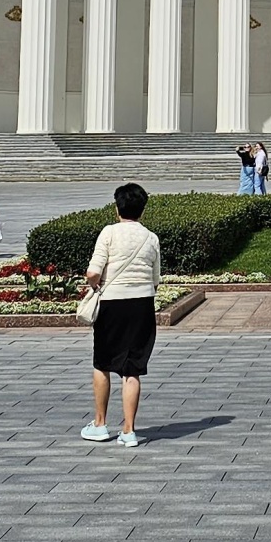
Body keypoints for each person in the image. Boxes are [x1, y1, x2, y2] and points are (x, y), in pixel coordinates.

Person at [79, 181, 161, 450]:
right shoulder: (151, 237)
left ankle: (100, 424)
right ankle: (129, 430)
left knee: (103, 362)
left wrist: (91, 284)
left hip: (112, 305)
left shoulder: (109, 233)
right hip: (142, 305)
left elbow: (93, 272)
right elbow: (156, 278)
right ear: (143, 210)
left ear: (117, 208)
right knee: (132, 369)